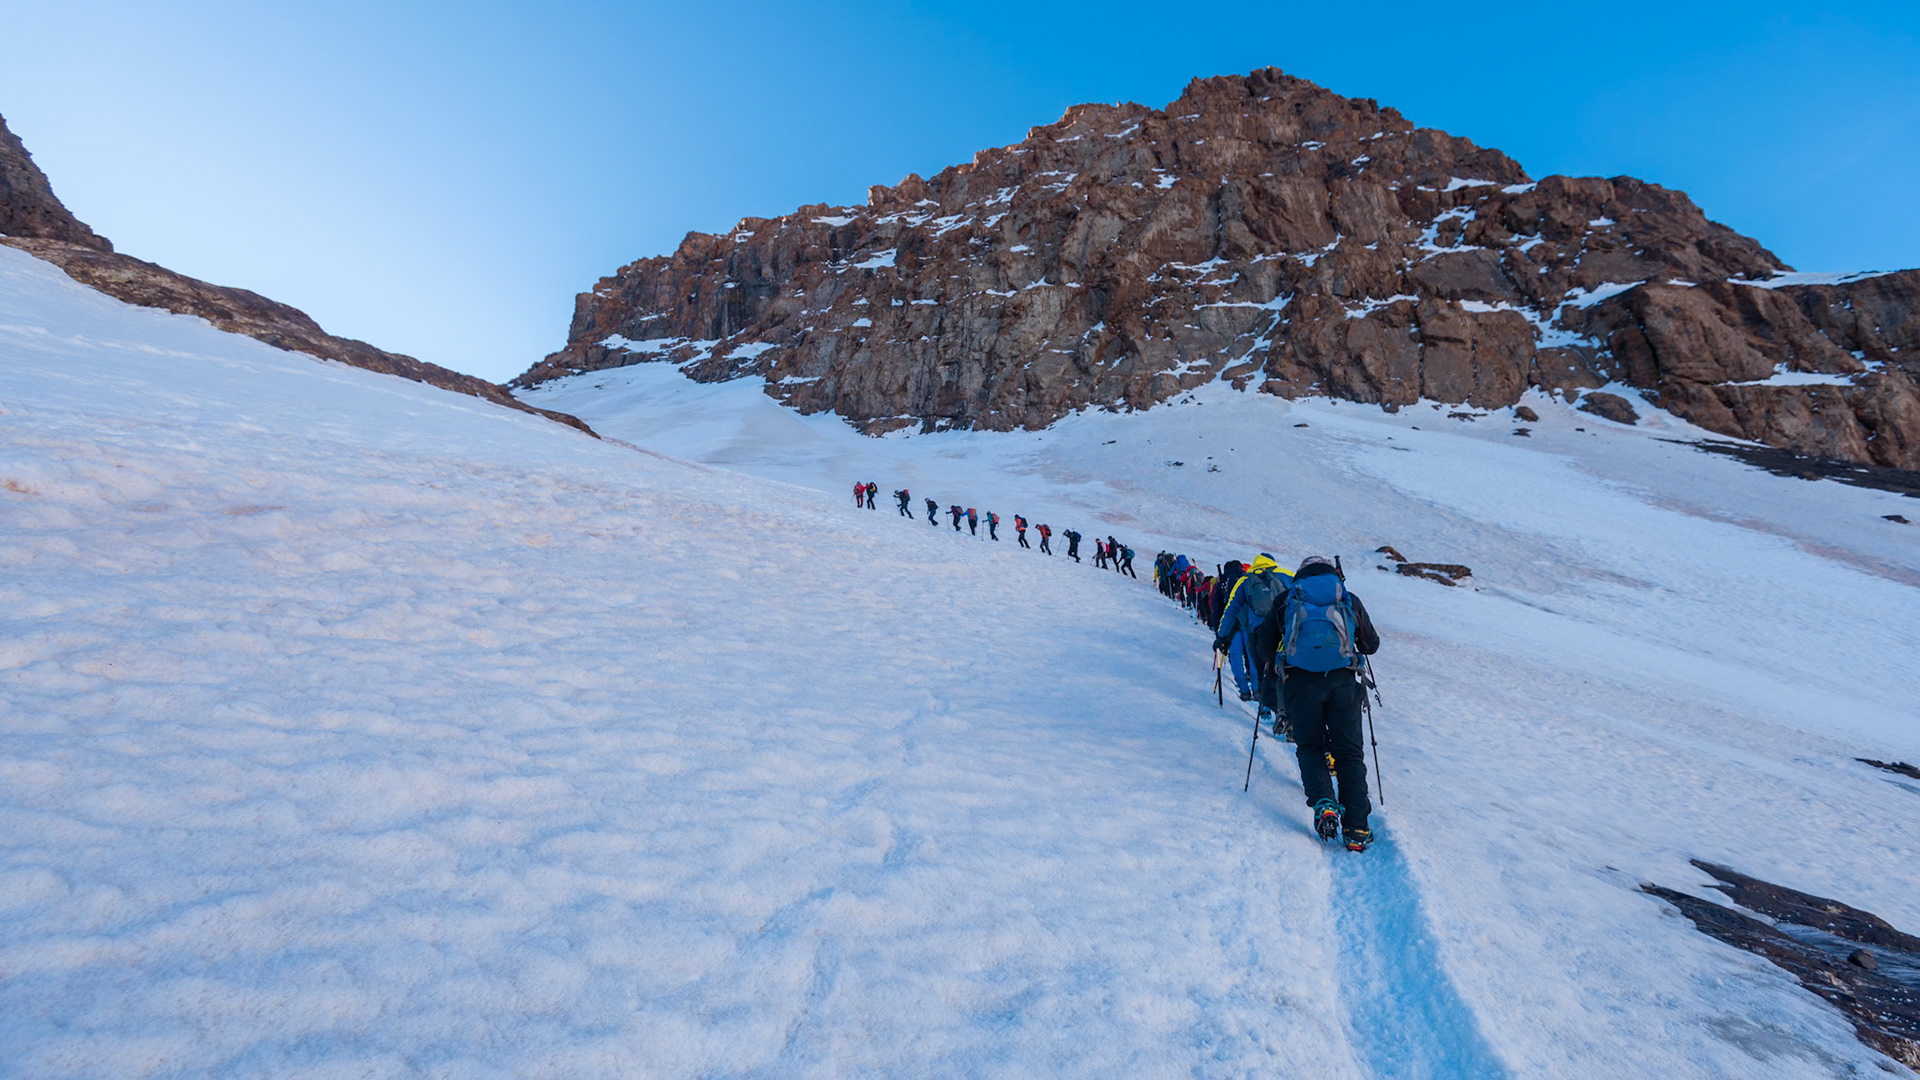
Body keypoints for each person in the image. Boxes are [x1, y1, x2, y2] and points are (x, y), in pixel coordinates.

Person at [1270, 556, 1381, 852]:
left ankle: (1324, 803)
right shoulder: (1347, 598)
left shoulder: (1288, 598)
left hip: (1301, 684)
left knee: (1310, 746)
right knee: (1349, 753)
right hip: (1344, 683)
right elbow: (1371, 644)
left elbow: (1264, 643)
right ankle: (1357, 828)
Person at [1214, 555, 1287, 709]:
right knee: (1285, 670)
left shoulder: (1245, 580)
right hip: (1283, 631)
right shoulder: (1284, 574)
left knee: (1262, 670)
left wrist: (1221, 636)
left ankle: (1264, 704)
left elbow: (1231, 609)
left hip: (1257, 632)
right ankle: (1287, 710)